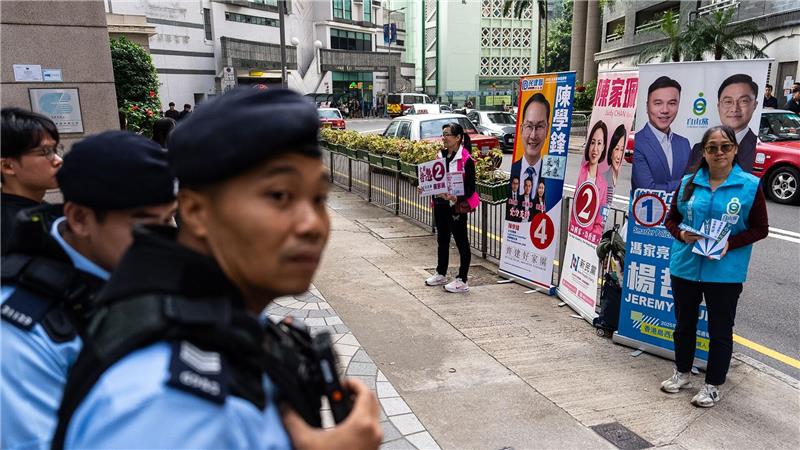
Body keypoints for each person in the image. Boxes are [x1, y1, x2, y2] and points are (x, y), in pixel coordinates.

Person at [54, 89, 382, 450]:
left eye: (318, 199)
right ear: (195, 212)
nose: (312, 225)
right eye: (279, 196)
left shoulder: (214, 322)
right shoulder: (165, 406)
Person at [1, 131, 177, 450]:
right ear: (80, 219)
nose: (163, 240)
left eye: (168, 221)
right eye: (146, 225)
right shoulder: (19, 330)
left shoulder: (142, 265)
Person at [661, 125, 768, 408]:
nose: (719, 152)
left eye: (725, 147)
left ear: (734, 149)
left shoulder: (749, 186)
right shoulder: (688, 183)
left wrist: (729, 244)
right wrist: (682, 234)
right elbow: (671, 219)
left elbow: (760, 228)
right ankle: (682, 373)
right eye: (712, 148)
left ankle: (712, 385)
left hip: (725, 271)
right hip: (685, 266)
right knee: (684, 324)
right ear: (704, 152)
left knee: (720, 329)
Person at [423, 122, 478, 293]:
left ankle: (462, 279)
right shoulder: (440, 156)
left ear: (458, 137)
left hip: (456, 207)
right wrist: (424, 186)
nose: (444, 137)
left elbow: (470, 187)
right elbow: (434, 179)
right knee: (442, 239)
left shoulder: (466, 160)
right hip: (440, 204)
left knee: (461, 242)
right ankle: (441, 272)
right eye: (443, 134)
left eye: (447, 134)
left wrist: (456, 197)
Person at [1, 107, 63, 255]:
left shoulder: (40, 208)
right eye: (45, 152)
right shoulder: (13, 229)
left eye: (55, 150)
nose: (58, 160)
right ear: (8, 166)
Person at [687, 74, 760, 173]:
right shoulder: (699, 149)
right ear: (718, 106)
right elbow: (687, 184)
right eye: (728, 102)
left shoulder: (759, 149)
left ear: (754, 105)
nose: (735, 109)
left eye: (743, 101)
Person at [632, 76, 691, 193]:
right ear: (647, 106)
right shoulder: (637, 142)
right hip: (646, 210)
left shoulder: (684, 143)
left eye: (672, 103)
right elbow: (647, 189)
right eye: (658, 103)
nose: (665, 110)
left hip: (678, 211)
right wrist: (686, 184)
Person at [572, 120, 609, 239]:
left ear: (603, 147)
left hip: (590, 239)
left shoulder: (603, 184)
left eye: (599, 143)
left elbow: (600, 219)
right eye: (593, 142)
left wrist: (593, 237)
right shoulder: (580, 173)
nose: (595, 149)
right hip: (574, 233)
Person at [510, 93, 550, 200]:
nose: (533, 135)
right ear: (521, 128)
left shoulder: (551, 176)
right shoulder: (513, 170)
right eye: (529, 126)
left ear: (547, 129)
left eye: (540, 126)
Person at [605, 124, 627, 197]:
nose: (619, 156)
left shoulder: (615, 176)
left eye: (622, 149)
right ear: (611, 151)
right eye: (616, 149)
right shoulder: (603, 178)